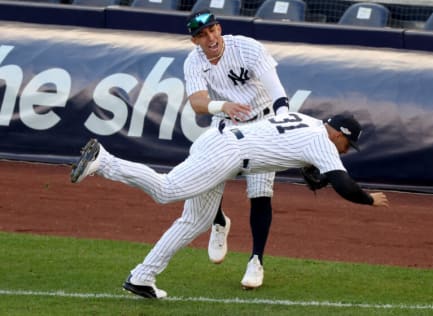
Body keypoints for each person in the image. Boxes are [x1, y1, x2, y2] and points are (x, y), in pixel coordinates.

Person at [70, 111, 390, 299]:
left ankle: (142, 277)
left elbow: (288, 149)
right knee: (167, 190)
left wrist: (312, 170)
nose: (347, 151)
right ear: (339, 134)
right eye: (348, 144)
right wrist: (368, 199)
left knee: (196, 221)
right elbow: (344, 185)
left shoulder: (305, 120)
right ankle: (106, 160)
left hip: (221, 142)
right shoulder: (323, 141)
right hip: (228, 155)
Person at [183, 9, 291, 289]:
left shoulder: (248, 48)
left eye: (211, 30)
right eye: (201, 35)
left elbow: (278, 92)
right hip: (226, 122)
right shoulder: (193, 61)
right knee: (206, 175)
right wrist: (224, 107)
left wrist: (282, 124)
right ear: (194, 41)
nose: (209, 38)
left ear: (219, 28)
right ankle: (218, 221)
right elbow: (197, 103)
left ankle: (256, 260)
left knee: (260, 192)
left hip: (264, 119)